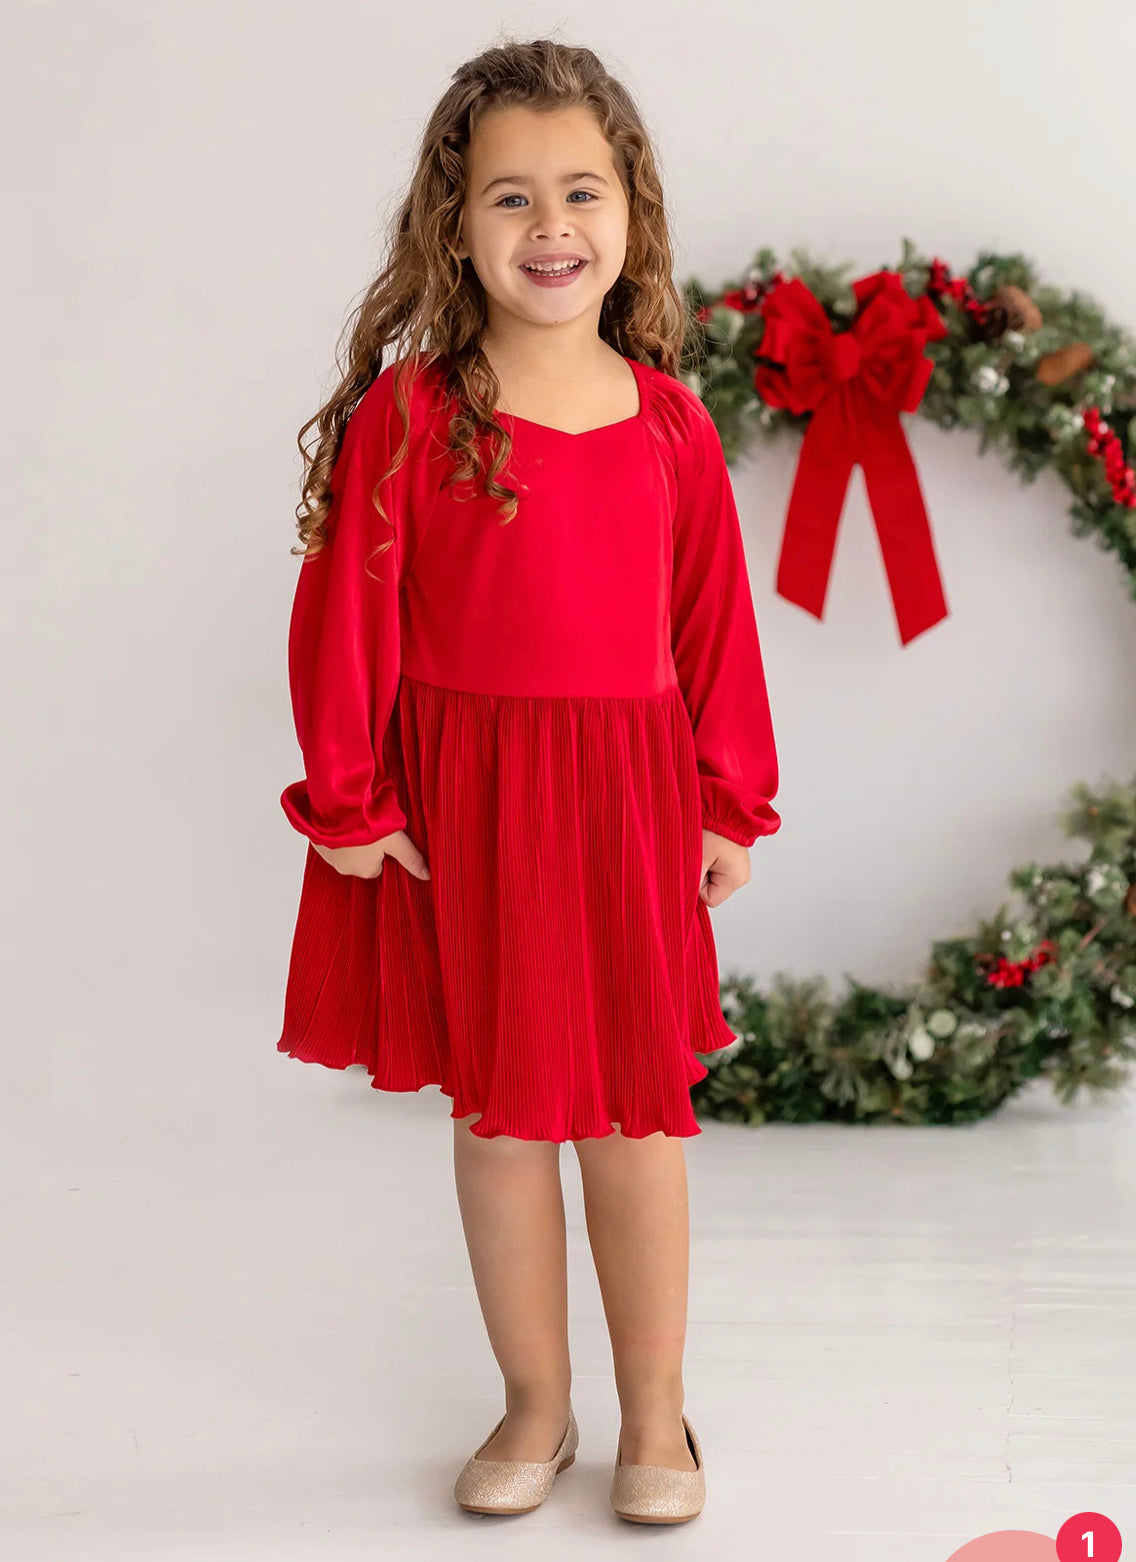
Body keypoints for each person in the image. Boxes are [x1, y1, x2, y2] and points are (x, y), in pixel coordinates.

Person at [275, 36, 781, 1526]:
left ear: (631, 212)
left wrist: (726, 797)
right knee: (500, 1121)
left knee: (635, 1119)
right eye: (510, 196)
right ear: (454, 224)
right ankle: (536, 1404)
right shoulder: (414, 415)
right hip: (473, 808)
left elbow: (715, 623)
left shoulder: (671, 422)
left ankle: (659, 1417)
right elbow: (345, 613)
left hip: (626, 801)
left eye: (580, 191)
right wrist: (350, 800)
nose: (550, 225)